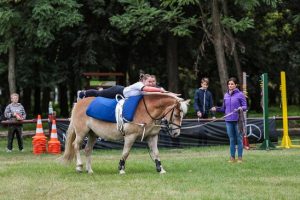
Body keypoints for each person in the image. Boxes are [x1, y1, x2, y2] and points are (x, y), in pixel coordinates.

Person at [211, 77, 247, 163]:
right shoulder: (226, 95)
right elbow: (224, 108)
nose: (230, 85)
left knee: (239, 138)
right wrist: (216, 109)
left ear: (236, 85)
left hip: (238, 120)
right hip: (228, 120)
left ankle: (240, 158)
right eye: (229, 84)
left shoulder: (240, 94)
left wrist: (240, 108)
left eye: (232, 84)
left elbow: (245, 106)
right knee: (231, 139)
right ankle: (232, 157)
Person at [77, 73, 164, 100]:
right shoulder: (140, 84)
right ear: (144, 81)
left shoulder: (151, 88)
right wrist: (160, 90)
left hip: (122, 94)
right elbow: (148, 89)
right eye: (149, 81)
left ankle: (101, 89)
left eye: (153, 81)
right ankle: (82, 93)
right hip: (117, 91)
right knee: (99, 93)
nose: (152, 83)